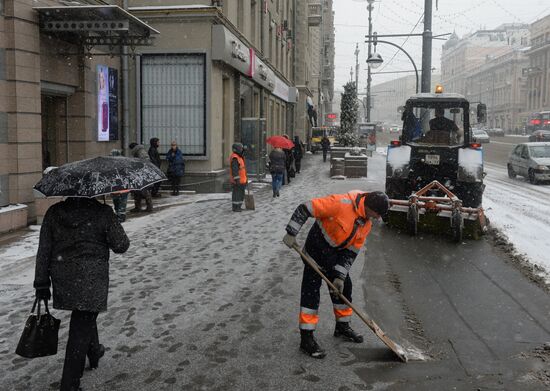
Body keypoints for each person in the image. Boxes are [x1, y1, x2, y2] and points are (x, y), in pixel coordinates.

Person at [33, 197, 130, 391]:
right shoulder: (102, 212)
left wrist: (42, 282)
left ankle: (94, 351)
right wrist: (109, 219)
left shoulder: (54, 212)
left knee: (84, 314)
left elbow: (44, 250)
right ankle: (69, 385)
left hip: (64, 278)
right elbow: (121, 245)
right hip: (91, 279)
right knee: (81, 325)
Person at [282, 190, 390, 359]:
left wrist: (340, 275)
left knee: (344, 288)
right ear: (369, 207)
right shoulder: (340, 203)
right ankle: (306, 338)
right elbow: (305, 208)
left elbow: (352, 252)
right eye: (377, 214)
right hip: (315, 251)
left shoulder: (366, 223)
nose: (378, 218)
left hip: (335, 257)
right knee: (311, 293)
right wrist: (291, 232)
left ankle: (342, 327)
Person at [129, 142, 153, 212]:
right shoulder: (140, 151)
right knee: (137, 190)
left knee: (144, 191)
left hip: (141, 174)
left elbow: (144, 162)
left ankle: (148, 207)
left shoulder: (140, 152)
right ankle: (139, 207)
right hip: (141, 174)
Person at [109, 149, 129, 222]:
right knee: (122, 202)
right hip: (123, 187)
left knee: (117, 202)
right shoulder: (124, 163)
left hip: (116, 187)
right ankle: (120, 215)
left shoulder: (110, 165)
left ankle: (119, 215)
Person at [229, 143, 247, 212]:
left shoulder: (239, 157)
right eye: (241, 149)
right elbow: (235, 170)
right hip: (237, 181)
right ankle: (235, 207)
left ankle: (239, 206)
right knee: (237, 194)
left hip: (242, 180)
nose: (242, 150)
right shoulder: (235, 158)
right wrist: (237, 179)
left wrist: (245, 179)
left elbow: (242, 169)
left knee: (241, 194)